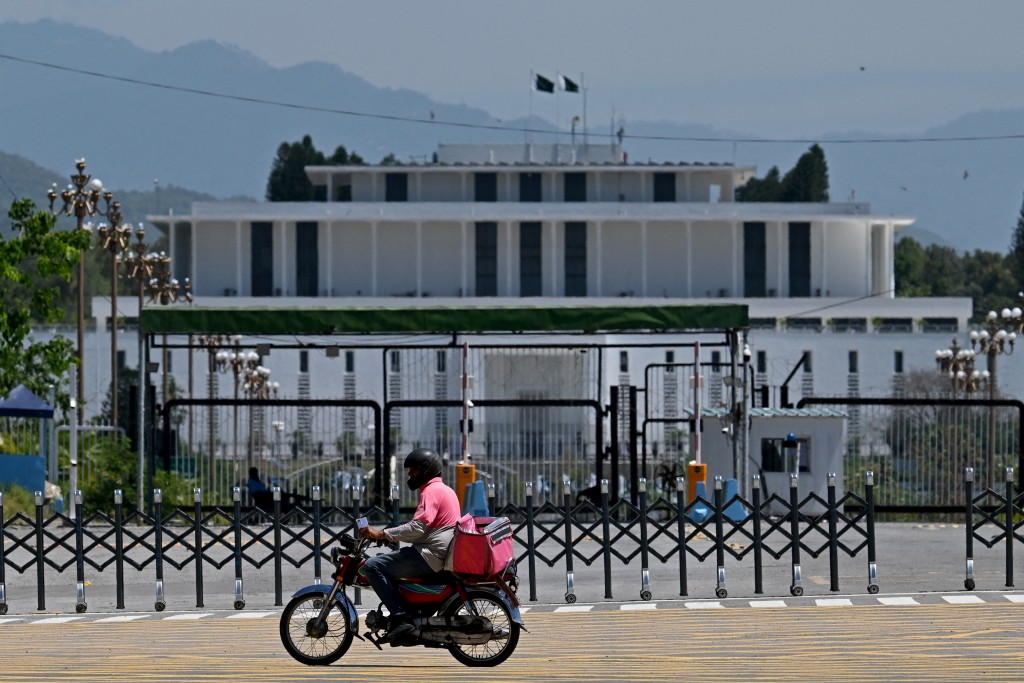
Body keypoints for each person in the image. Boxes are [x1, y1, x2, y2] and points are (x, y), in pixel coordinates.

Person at [359, 447, 461, 641]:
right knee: (384, 561)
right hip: (437, 553)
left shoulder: (430, 492)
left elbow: (418, 527)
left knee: (372, 567)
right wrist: (386, 538)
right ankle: (411, 612)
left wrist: (382, 534)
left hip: (429, 555)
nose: (409, 474)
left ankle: (400, 618)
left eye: (413, 469)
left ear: (426, 469)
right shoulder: (446, 490)